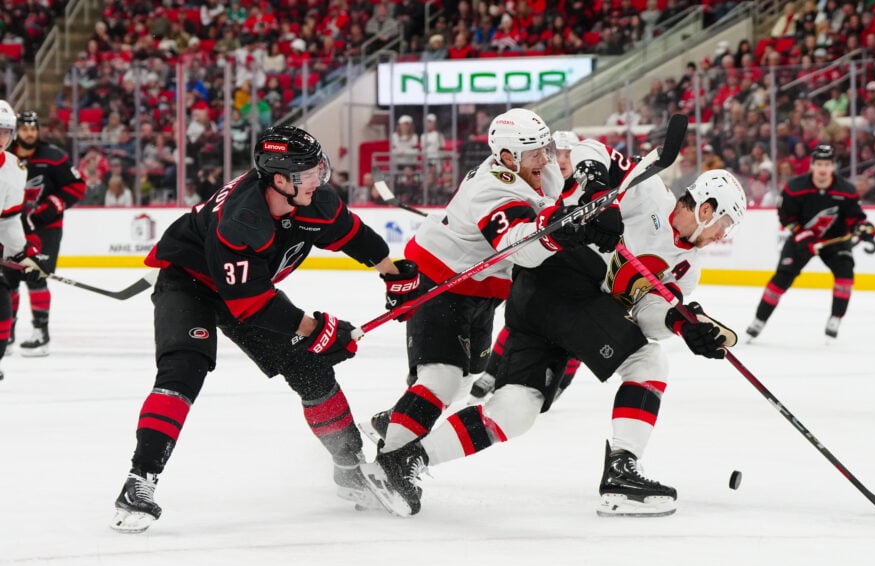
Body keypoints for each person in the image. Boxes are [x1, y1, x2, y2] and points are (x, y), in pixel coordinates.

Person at [360, 142, 747, 518]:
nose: (723, 235)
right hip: (562, 282)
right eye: (725, 223)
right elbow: (588, 149)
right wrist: (598, 188)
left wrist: (681, 324)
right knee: (648, 363)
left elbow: (646, 313)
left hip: (546, 305)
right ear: (708, 210)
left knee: (515, 410)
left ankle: (403, 461)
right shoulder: (648, 192)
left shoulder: (688, 269)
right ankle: (621, 473)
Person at [109, 126, 425, 533]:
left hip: (247, 290)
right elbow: (251, 304)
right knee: (184, 369)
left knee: (311, 371)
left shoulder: (314, 200)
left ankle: (348, 468)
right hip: (190, 281)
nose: (320, 178)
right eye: (308, 173)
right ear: (279, 179)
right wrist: (315, 328)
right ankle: (139, 482)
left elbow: (352, 235)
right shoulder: (242, 221)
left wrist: (392, 272)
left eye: (318, 168)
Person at [359, 109, 615, 472]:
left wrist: (592, 197)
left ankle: (397, 421)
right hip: (440, 280)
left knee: (465, 380)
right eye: (536, 153)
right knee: (442, 379)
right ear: (508, 157)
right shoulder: (493, 188)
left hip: (481, 291)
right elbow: (517, 247)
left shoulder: (540, 166)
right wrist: (557, 231)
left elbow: (575, 171)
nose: (546, 158)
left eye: (546, 148)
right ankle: (388, 468)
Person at [468, 129, 582, 401]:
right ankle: (491, 374)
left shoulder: (587, 189)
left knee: (575, 330)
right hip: (536, 268)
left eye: (570, 154)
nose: (563, 160)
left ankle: (559, 384)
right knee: (520, 319)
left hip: (571, 273)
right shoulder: (533, 182)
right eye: (559, 153)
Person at [745, 144, 874, 341]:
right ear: (812, 166)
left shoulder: (846, 190)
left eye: (827, 164)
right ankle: (759, 320)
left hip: (834, 241)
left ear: (833, 167)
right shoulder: (795, 187)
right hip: (802, 239)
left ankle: (836, 318)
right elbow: (785, 217)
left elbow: (856, 218)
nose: (823, 168)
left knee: (845, 272)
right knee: (782, 277)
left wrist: (862, 228)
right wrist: (802, 236)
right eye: (819, 164)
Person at [3, 110, 86, 356]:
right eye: (25, 128)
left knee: (35, 277)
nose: (29, 133)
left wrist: (51, 207)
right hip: (12, 226)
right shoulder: (8, 158)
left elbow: (77, 186)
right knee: (9, 280)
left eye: (33, 128)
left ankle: (41, 333)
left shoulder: (53, 156)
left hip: (46, 229)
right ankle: (7, 334)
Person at [0, 100, 44, 380]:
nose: (1, 137)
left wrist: (21, 253)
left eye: (5, 131)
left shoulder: (15, 169)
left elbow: (8, 220)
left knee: (3, 305)